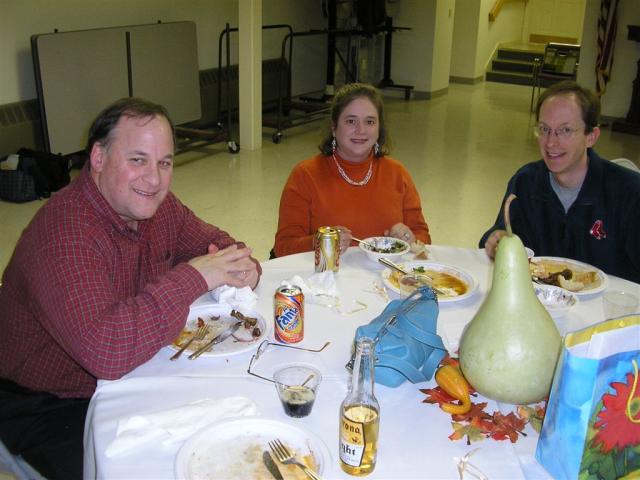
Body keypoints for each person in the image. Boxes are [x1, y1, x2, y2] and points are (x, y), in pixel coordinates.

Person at [0, 98, 261, 479]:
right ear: (99, 158)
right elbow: (107, 349)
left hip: (129, 373)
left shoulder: (155, 206)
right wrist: (197, 275)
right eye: (137, 159)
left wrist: (243, 268)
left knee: (228, 434)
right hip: (48, 401)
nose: (154, 179)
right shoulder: (64, 233)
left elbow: (222, 246)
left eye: (164, 162)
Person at [480, 80, 640, 283]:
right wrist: (496, 240)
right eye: (544, 129)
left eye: (565, 130)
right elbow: (504, 235)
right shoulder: (526, 183)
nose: (551, 142)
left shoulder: (630, 193)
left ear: (591, 136)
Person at [272, 82, 430, 257]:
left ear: (379, 129)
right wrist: (321, 241)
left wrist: (409, 238)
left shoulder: (398, 174)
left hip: (385, 279)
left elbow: (424, 238)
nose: (360, 130)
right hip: (327, 280)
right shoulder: (305, 175)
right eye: (351, 121)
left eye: (369, 121)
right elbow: (283, 247)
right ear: (334, 127)